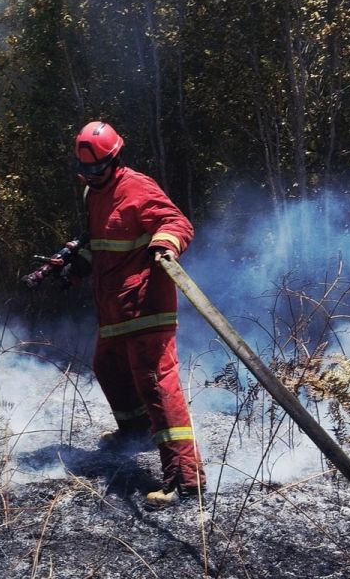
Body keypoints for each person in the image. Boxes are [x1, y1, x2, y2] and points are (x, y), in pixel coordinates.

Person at [71, 120, 206, 508]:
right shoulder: (93, 194)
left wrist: (165, 244)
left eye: (97, 169)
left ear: (114, 160)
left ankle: (185, 478)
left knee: (157, 386)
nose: (91, 176)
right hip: (114, 306)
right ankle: (136, 433)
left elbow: (177, 223)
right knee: (107, 365)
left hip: (146, 305)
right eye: (86, 170)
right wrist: (75, 264)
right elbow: (98, 243)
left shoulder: (137, 187)